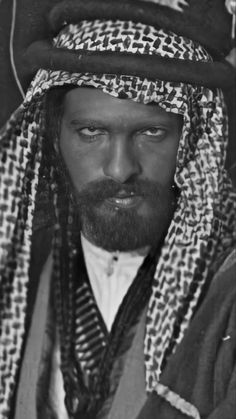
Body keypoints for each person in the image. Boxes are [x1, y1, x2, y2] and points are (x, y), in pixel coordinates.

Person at [0, 1, 236, 418]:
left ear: (194, 140)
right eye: (91, 132)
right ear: (53, 138)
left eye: (152, 132)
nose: (121, 169)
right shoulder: (21, 270)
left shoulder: (226, 295)